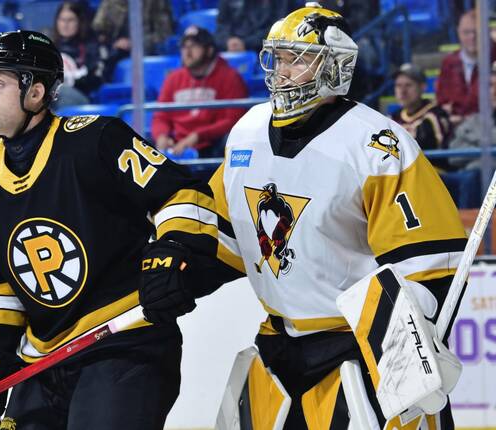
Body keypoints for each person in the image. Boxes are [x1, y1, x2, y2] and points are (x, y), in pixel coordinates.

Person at [141, 4, 467, 429]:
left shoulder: (378, 145)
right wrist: (179, 261)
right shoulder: (247, 131)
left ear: (333, 67)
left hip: (356, 353)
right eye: (278, 57)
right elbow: (223, 231)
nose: (282, 71)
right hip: (278, 350)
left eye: (298, 59)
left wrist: (403, 350)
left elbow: (429, 263)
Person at [0, 30, 218, 430]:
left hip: (124, 342)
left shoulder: (96, 140)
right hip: (43, 360)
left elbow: (181, 193)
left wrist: (173, 249)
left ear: (35, 91)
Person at [151, 25, 248, 158]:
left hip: (212, 143)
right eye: (184, 46)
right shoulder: (173, 78)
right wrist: (161, 136)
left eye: (194, 46)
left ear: (209, 50)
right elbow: (161, 116)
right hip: (177, 142)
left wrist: (198, 136)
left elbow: (234, 119)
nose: (187, 52)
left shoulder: (230, 77)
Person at [436, 9, 496, 126]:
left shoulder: (494, 57)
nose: (472, 37)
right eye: (467, 32)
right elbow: (442, 100)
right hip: (457, 129)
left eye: (476, 32)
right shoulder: (448, 63)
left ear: (487, 32)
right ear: (459, 33)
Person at [392, 63, 452, 171]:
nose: (403, 91)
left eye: (408, 85)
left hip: (433, 173)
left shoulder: (435, 115)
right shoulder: (393, 117)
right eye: (398, 86)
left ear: (422, 87)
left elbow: (439, 152)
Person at [50, 1, 109, 107]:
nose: (65, 24)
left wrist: (73, 80)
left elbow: (97, 78)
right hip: (51, 95)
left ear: (80, 22)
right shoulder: (48, 44)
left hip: (81, 96)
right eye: (62, 19)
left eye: (70, 20)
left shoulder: (92, 46)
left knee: (58, 91)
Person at [448, 61, 496, 171]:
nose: (494, 91)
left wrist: (476, 142)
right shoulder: (473, 121)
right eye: (491, 86)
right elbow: (454, 155)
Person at [92, 0, 173, 60]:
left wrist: (134, 44)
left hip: (147, 52)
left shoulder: (157, 2)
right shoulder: (110, 2)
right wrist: (114, 43)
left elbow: (164, 34)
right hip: (114, 52)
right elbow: (99, 31)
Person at [215, 0, 289, 53]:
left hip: (263, 48)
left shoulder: (282, 2)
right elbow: (222, 26)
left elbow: (278, 28)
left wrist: (246, 43)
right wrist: (228, 42)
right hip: (231, 47)